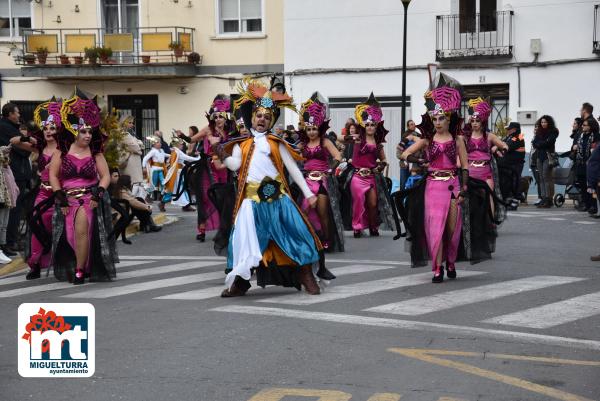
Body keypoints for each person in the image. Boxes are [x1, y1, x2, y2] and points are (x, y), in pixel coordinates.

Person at [209, 78, 334, 297]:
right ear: (253, 117)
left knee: (297, 235)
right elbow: (235, 166)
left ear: (271, 120)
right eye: (259, 116)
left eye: (267, 117)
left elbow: (293, 170)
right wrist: (220, 151)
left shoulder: (277, 143)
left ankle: (306, 275)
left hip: (280, 201)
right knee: (246, 242)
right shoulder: (242, 144)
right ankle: (241, 282)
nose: (262, 120)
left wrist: (308, 194)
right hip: (251, 203)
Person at [48, 91, 116, 284]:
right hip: (66, 200)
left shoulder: (96, 152)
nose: (87, 135)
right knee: (70, 236)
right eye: (83, 132)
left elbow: (105, 176)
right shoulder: (62, 151)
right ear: (74, 131)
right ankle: (83, 265)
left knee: (82, 232)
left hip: (88, 199)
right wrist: (59, 195)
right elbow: (53, 175)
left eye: (89, 132)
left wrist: (99, 192)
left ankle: (79, 270)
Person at [296, 92, 344, 252]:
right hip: (307, 180)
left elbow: (338, 156)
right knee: (304, 209)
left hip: (322, 180)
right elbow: (293, 156)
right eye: (308, 129)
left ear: (320, 128)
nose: (311, 132)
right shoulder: (302, 144)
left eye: (314, 129)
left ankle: (326, 239)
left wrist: (330, 170)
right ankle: (310, 237)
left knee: (323, 212)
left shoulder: (325, 141)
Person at [344, 93, 395, 238]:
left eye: (373, 125)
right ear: (364, 126)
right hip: (357, 177)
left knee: (372, 204)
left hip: (371, 177)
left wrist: (379, 167)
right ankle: (357, 227)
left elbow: (385, 161)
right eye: (367, 125)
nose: (370, 127)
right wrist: (350, 137)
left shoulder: (378, 144)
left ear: (376, 126)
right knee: (358, 202)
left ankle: (373, 226)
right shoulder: (358, 139)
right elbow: (341, 139)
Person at [24, 100, 61, 279]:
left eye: (52, 128)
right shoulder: (39, 148)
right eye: (45, 128)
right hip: (43, 193)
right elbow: (14, 141)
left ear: (58, 130)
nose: (48, 131)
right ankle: (35, 264)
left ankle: (69, 262)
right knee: (37, 225)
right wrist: (27, 137)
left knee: (65, 229)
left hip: (61, 194)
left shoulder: (67, 150)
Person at [188, 94, 232, 241]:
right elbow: (192, 139)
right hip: (207, 168)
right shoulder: (207, 129)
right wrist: (182, 136)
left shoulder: (230, 131)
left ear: (226, 117)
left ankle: (224, 229)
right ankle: (201, 230)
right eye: (216, 116)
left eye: (221, 116)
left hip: (224, 166)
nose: (218, 119)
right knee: (206, 198)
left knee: (224, 199)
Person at [464, 97, 508, 219]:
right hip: (470, 172)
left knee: (489, 196)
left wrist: (503, 148)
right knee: (469, 198)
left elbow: (503, 144)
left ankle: (490, 222)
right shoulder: (465, 137)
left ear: (482, 122)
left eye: (477, 121)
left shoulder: (489, 136)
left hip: (486, 173)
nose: (474, 123)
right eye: (472, 121)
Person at [0, 103, 33, 253]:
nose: (19, 115)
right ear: (10, 114)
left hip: (17, 173)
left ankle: (11, 241)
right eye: (17, 112)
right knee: (13, 209)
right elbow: (23, 150)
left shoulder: (11, 127)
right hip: (14, 174)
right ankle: (9, 242)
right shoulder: (6, 128)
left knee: (15, 210)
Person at [162, 137, 199, 210]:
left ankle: (186, 205)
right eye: (181, 144)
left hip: (178, 172)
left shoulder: (176, 151)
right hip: (177, 173)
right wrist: (198, 158)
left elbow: (182, 161)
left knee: (180, 188)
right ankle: (163, 202)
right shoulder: (177, 152)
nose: (182, 145)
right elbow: (187, 158)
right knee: (177, 188)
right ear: (177, 144)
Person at [531, 115, 559, 208]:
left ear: (549, 123)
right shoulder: (539, 131)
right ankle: (543, 198)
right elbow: (534, 143)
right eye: (542, 122)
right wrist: (541, 143)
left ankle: (548, 199)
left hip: (548, 157)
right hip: (540, 157)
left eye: (545, 122)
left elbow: (549, 142)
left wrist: (540, 143)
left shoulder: (553, 131)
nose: (543, 124)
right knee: (541, 178)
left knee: (546, 177)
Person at [573, 118, 600, 213]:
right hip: (580, 163)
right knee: (583, 185)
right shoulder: (581, 135)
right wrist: (574, 147)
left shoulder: (595, 136)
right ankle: (586, 204)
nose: (582, 126)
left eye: (585, 125)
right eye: (583, 125)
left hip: (590, 165)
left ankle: (593, 206)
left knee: (591, 185)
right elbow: (575, 146)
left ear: (590, 126)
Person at [498, 122, 525, 209]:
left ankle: (515, 202)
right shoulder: (509, 137)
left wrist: (500, 147)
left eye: (509, 129)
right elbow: (502, 143)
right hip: (509, 163)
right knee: (508, 183)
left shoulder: (518, 137)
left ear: (514, 129)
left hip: (516, 164)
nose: (507, 130)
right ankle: (509, 201)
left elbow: (507, 146)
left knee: (515, 182)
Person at [119, 116, 145, 199]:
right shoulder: (122, 134)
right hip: (129, 161)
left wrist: (138, 145)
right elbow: (134, 147)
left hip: (133, 161)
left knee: (136, 184)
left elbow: (140, 144)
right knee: (132, 184)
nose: (131, 125)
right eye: (129, 122)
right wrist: (138, 147)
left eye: (132, 123)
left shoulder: (129, 134)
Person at [0, 145, 18, 264]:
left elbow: (12, 183)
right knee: (0, 224)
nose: (6, 158)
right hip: (1, 198)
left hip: (6, 199)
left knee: (4, 225)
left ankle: (3, 245)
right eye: (4, 156)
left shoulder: (7, 167)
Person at [142, 136, 169, 211]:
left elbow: (166, 155)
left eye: (160, 142)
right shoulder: (153, 151)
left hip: (161, 170)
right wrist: (144, 167)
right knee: (152, 184)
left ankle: (162, 198)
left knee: (164, 183)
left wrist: (173, 155)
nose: (159, 144)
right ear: (154, 144)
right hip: (154, 170)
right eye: (157, 142)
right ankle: (147, 196)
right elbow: (145, 158)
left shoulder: (161, 150)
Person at [396, 120, 420, 190]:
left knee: (414, 183)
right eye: (411, 124)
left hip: (415, 163)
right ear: (408, 126)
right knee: (403, 182)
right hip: (405, 162)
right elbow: (399, 152)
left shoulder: (419, 136)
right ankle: (402, 198)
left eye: (414, 124)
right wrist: (403, 159)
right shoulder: (404, 136)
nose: (413, 125)